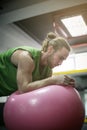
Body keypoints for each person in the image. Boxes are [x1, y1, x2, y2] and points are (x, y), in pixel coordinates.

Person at [0, 32, 75, 96]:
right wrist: (53, 80)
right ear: (50, 49)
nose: (60, 63)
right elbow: (23, 89)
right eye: (60, 58)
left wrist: (64, 83)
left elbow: (39, 91)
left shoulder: (48, 71)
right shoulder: (26, 57)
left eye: (63, 60)